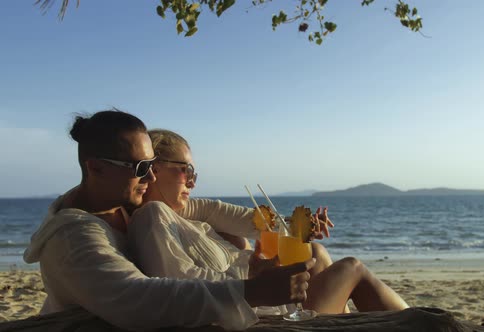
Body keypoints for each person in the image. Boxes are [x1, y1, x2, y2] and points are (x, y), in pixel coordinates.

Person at [23, 109, 315, 331]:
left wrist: (292, 225)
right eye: (140, 167)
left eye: (152, 165)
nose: (150, 177)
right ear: (96, 168)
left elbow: (213, 210)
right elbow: (140, 299)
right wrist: (253, 290)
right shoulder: (72, 239)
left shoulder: (123, 206)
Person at [127, 128, 410, 316]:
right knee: (352, 268)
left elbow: (257, 222)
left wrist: (302, 225)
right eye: (184, 170)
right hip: (259, 313)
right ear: (153, 169)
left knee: (315, 252)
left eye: (194, 172)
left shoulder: (188, 211)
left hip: (270, 302)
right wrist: (252, 282)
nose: (192, 180)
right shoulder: (154, 216)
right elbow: (178, 283)